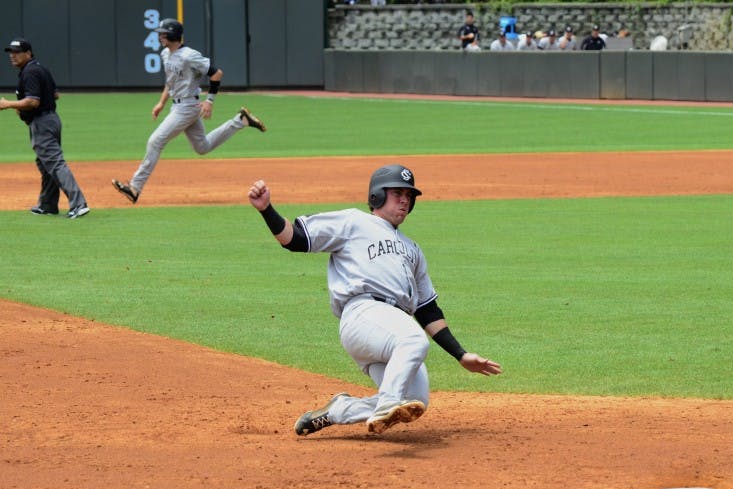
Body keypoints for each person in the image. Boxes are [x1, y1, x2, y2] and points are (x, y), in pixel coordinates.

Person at [246, 165, 503, 436]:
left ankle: (339, 410)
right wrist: (266, 209)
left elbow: (428, 310)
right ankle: (387, 403)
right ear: (377, 196)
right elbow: (295, 239)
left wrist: (461, 355)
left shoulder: (413, 249)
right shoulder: (354, 222)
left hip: (391, 329)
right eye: (397, 193)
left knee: (416, 400)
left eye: (409, 195)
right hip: (363, 314)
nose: (404, 199)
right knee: (413, 341)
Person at [112, 18, 265, 205]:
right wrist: (161, 103)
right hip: (177, 105)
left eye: (163, 33)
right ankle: (241, 120)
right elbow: (171, 83)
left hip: (187, 107)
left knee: (155, 141)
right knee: (203, 147)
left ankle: (135, 188)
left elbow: (217, 74)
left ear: (172, 35)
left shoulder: (189, 55)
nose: (160, 36)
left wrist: (209, 100)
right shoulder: (165, 54)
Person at [0, 38, 89, 218]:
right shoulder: (39, 68)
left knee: (54, 162)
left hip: (42, 122)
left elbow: (33, 101)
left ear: (28, 53)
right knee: (45, 162)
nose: (13, 56)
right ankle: (48, 204)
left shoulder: (30, 72)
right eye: (11, 52)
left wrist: (9, 104)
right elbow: (55, 94)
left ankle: (79, 203)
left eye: (17, 52)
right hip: (51, 119)